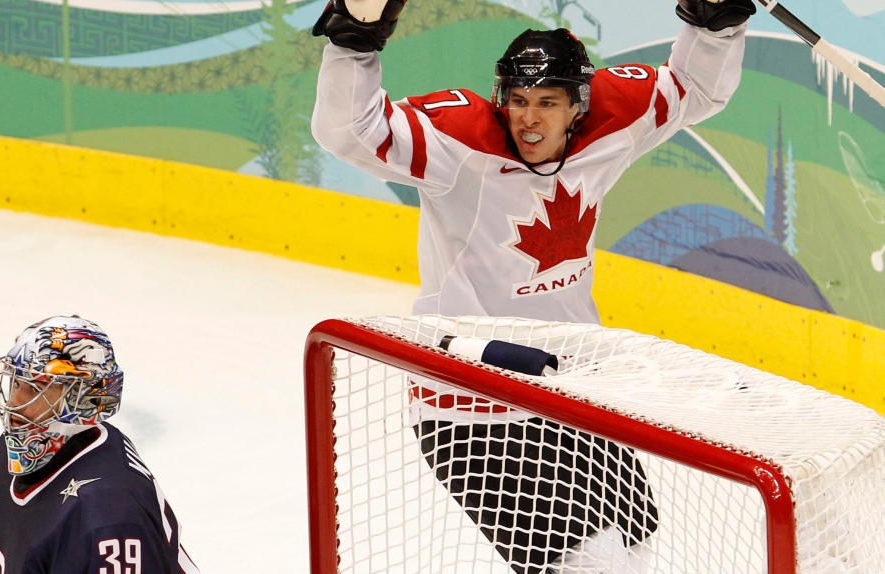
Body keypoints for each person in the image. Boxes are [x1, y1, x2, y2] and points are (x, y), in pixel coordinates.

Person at [312, 0, 755, 572]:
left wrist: (715, 22)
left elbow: (696, 87)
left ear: (578, 107)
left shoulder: (614, 122)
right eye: (518, 102)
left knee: (637, 547)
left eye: (547, 103)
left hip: (573, 386)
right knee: (587, 564)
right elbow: (348, 131)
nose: (529, 119)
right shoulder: (459, 145)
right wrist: (355, 40)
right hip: (471, 407)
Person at [0, 314, 198, 574]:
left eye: (35, 388)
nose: (14, 402)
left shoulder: (108, 514)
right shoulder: (5, 457)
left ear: (81, 399)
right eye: (15, 382)